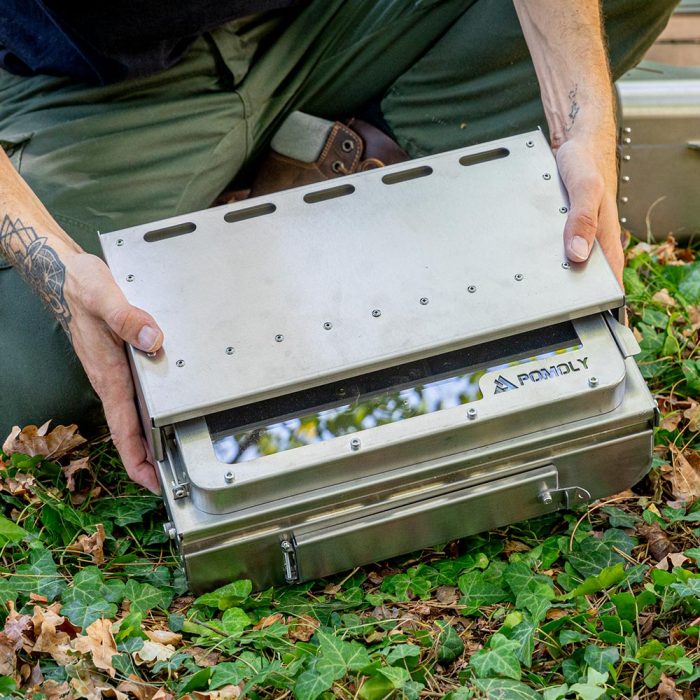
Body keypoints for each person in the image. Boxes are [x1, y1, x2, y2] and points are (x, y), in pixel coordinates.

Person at [0, 1, 677, 492]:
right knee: (41, 377)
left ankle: (348, 159)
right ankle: (235, 191)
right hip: (87, 98)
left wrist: (581, 124)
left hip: (326, 25)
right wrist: (55, 268)